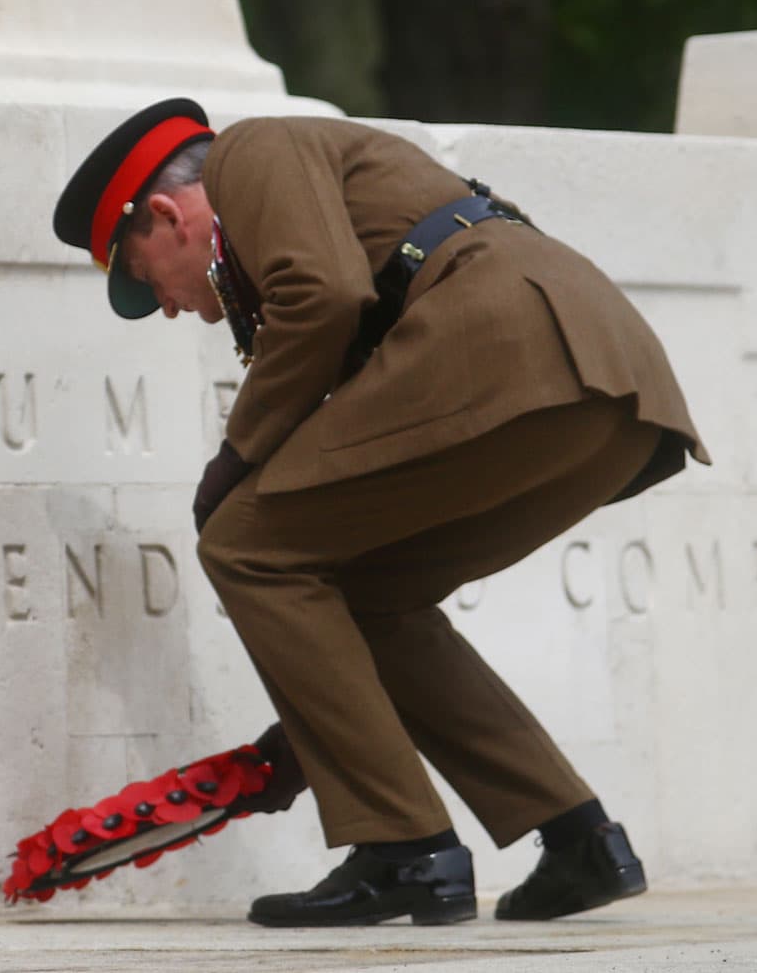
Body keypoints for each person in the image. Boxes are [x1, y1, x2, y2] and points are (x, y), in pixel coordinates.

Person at [52, 98, 708, 929]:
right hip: (602, 386)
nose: (172, 306)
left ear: (166, 214)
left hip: (507, 349)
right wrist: (333, 717)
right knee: (367, 593)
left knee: (246, 544)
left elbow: (321, 295)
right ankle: (579, 839)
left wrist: (237, 458)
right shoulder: (312, 178)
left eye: (148, 279)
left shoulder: (249, 153)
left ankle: (406, 849)